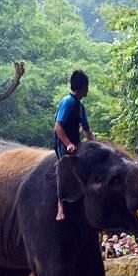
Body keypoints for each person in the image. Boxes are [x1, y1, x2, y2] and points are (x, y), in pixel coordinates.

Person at [53, 70, 95, 221]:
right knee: (64, 168)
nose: (88, 89)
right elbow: (58, 126)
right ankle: (60, 205)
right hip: (63, 142)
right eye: (87, 86)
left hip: (76, 142)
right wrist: (68, 144)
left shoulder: (80, 106)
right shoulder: (68, 102)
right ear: (83, 87)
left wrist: (94, 144)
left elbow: (86, 130)